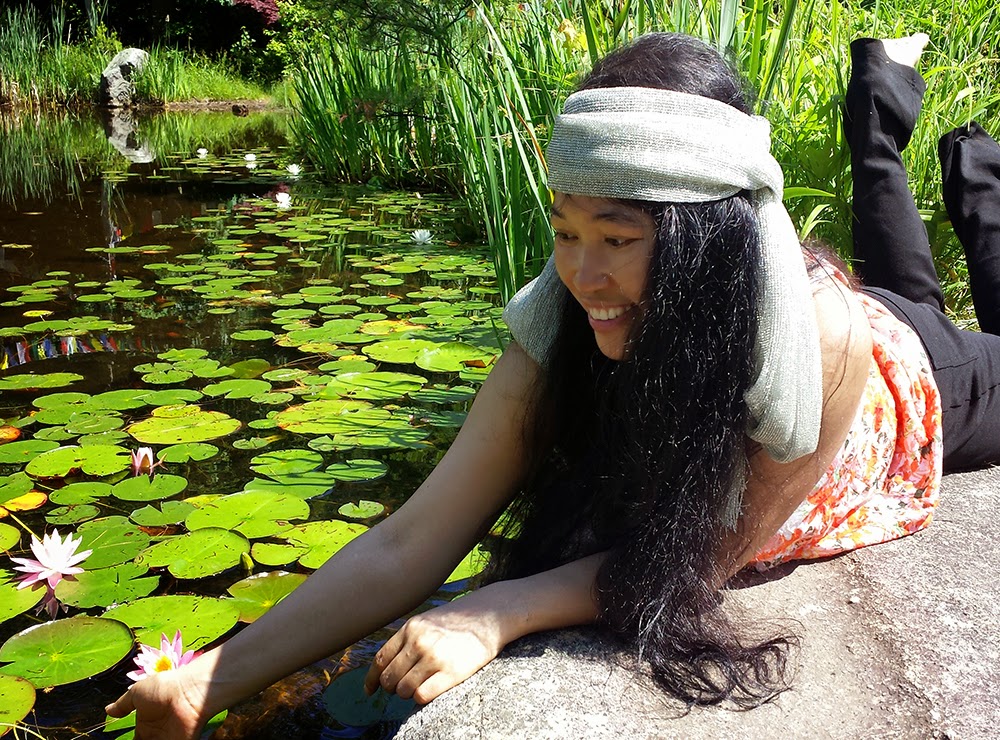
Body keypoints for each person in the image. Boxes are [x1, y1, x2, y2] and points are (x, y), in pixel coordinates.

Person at [106, 32, 1000, 738]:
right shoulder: (564, 310)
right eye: (565, 231)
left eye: (618, 238)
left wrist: (499, 608)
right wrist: (206, 681)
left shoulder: (822, 343)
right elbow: (412, 537)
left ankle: (977, 174)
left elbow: (699, 560)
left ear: (711, 241)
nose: (582, 274)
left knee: (950, 315)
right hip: (821, 308)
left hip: (919, 376)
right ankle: (888, 108)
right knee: (908, 278)